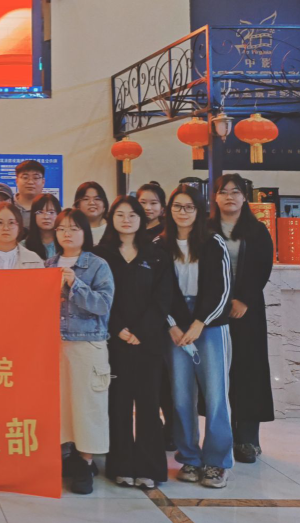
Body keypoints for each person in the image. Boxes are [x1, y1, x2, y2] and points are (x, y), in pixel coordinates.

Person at [95, 196, 173, 490]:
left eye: (132, 214)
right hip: (114, 341)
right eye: (120, 214)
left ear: (142, 219)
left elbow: (163, 297)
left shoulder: (157, 255)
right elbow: (99, 296)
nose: (126, 220)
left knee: (149, 404)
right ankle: (121, 465)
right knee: (119, 402)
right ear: (111, 218)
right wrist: (118, 329)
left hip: (148, 341)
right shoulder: (100, 255)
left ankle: (150, 467)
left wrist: (142, 330)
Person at [160, 184, 233, 489]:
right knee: (181, 395)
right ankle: (189, 457)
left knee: (216, 395)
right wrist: (172, 325)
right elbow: (157, 291)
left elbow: (223, 288)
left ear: (199, 210)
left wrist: (201, 322)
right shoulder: (160, 244)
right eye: (177, 206)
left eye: (189, 207)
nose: (183, 212)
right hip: (175, 324)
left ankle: (216, 462)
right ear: (169, 210)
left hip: (210, 324)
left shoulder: (213, 242)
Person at [46, 208, 114, 495]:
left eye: (74, 228)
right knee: (59, 407)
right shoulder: (47, 264)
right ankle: (65, 459)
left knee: (87, 407)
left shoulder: (98, 265)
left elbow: (103, 305)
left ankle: (85, 463)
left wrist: (75, 283)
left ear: (85, 233)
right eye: (62, 228)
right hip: (54, 345)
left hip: (88, 344)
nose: (67, 233)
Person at [210, 174, 274, 465]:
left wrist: (244, 299)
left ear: (244, 197)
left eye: (235, 192)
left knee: (248, 371)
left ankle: (247, 439)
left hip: (247, 311)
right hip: (213, 311)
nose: (230, 197)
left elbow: (262, 266)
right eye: (223, 192)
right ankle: (220, 438)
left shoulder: (256, 230)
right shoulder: (206, 229)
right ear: (215, 197)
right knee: (219, 373)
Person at [137, 181, 173, 449]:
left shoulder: (167, 236)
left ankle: (172, 429)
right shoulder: (130, 232)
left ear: (162, 208)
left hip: (165, 316)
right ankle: (152, 429)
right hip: (136, 317)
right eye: (142, 203)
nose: (148, 208)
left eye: (153, 203)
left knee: (166, 379)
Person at [0, 202, 44, 270]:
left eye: (11, 223)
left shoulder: (34, 260)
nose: (6, 228)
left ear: (19, 227)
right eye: (0, 222)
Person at [23, 193, 61, 260]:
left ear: (58, 214)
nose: (46, 217)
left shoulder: (65, 243)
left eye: (51, 212)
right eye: (40, 212)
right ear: (33, 215)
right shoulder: (23, 246)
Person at [14, 160, 46, 229]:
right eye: (25, 177)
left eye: (35, 178)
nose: (30, 182)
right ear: (16, 181)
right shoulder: (8, 206)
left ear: (43, 182)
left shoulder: (51, 209)